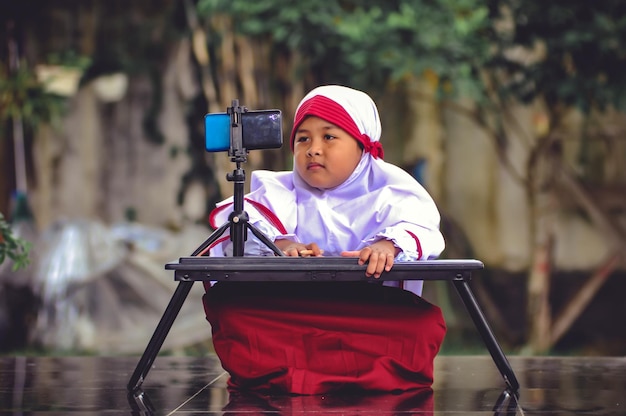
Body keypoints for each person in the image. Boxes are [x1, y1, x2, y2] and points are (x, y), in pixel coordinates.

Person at [202, 85, 447, 395]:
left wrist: (388, 246)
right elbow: (240, 227)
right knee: (231, 310)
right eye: (303, 138)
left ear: (362, 145)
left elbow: (420, 227)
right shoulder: (278, 192)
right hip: (290, 312)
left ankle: (303, 373)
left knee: (422, 324)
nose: (313, 149)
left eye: (329, 137)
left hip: (369, 315)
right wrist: (281, 245)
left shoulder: (392, 192)